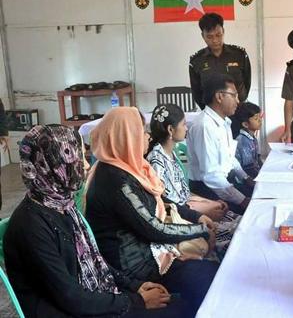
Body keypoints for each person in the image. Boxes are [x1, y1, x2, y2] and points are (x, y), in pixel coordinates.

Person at [4, 125, 189, 317]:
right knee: (180, 310)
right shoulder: (31, 225)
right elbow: (70, 297)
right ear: (51, 164)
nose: (85, 165)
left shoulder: (62, 204)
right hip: (70, 310)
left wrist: (135, 286)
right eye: (78, 157)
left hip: (90, 300)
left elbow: (93, 262)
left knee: (181, 304)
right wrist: (136, 301)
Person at [85, 107, 219, 317]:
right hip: (135, 269)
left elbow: (159, 199)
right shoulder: (114, 179)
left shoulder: (128, 167)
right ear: (126, 137)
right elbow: (153, 228)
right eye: (141, 131)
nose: (148, 136)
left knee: (209, 270)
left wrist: (195, 216)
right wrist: (200, 229)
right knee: (207, 278)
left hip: (150, 252)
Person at [147, 103, 242, 259]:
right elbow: (167, 204)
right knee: (234, 235)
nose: (187, 128)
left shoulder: (170, 153)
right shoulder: (157, 161)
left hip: (186, 209)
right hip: (178, 220)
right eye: (184, 124)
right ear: (171, 130)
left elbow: (183, 191)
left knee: (238, 220)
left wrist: (209, 202)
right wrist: (201, 212)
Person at [187, 73, 254, 215]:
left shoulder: (224, 122)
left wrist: (246, 178)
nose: (238, 101)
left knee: (260, 196)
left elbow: (229, 158)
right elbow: (211, 176)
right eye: (234, 95)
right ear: (219, 96)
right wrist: (242, 200)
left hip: (225, 183)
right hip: (209, 190)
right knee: (251, 213)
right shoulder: (205, 126)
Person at [189, 12, 251, 108]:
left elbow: (247, 82)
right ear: (203, 36)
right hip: (212, 115)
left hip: (239, 110)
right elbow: (197, 92)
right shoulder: (196, 61)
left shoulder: (239, 55)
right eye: (209, 37)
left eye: (218, 35)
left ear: (223, 31)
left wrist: (239, 102)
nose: (215, 40)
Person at [230, 101, 263, 178]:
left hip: (253, 173)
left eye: (260, 117)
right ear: (245, 124)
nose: (260, 120)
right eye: (256, 118)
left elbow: (257, 159)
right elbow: (248, 168)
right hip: (244, 179)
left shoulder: (252, 138)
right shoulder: (243, 141)